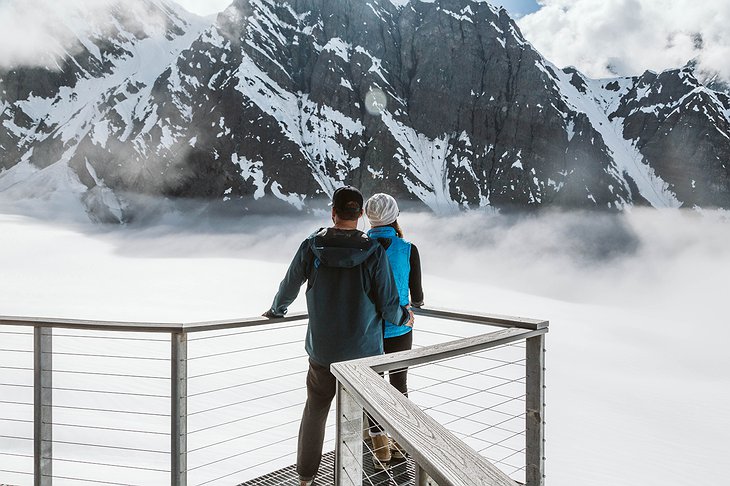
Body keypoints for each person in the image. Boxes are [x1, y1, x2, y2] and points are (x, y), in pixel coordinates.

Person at [263, 186, 414, 486]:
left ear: (332, 213)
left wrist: (276, 310)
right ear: (359, 216)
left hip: (323, 351)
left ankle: (306, 478)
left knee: (316, 412)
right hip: (363, 355)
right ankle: (352, 478)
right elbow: (388, 304)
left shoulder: (311, 245)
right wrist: (404, 317)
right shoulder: (373, 252)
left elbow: (290, 285)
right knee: (358, 416)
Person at [363, 193, 424, 461]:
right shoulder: (408, 249)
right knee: (399, 385)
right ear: (396, 216)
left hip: (367, 329)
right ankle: (400, 442)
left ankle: (381, 448)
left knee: (371, 387)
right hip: (400, 328)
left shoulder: (360, 247)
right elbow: (418, 294)